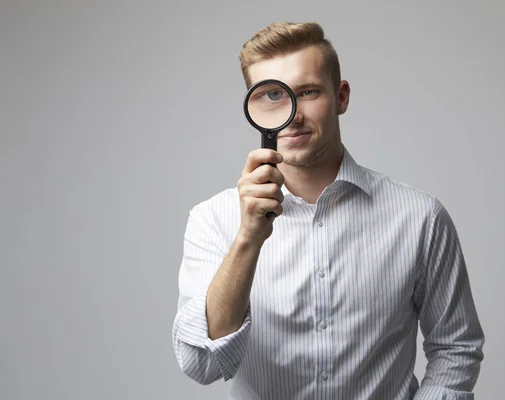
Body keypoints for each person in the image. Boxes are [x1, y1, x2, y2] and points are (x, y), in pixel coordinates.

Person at [172, 21, 485, 399]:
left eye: (306, 92)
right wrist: (248, 239)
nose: (292, 114)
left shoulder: (420, 217)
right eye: (272, 95)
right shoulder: (212, 220)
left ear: (341, 97)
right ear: (253, 105)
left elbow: (456, 348)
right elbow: (201, 365)